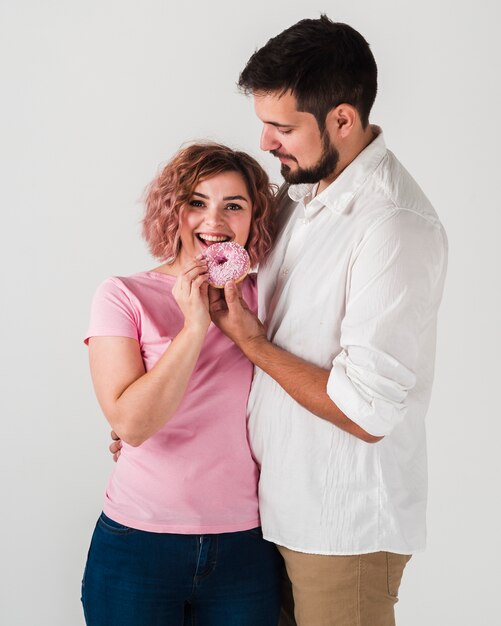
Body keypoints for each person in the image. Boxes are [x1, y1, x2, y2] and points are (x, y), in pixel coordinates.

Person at [207, 16, 448, 626]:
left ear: (342, 119)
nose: (264, 142)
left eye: (282, 127)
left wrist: (254, 345)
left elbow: (366, 412)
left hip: (344, 530)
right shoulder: (301, 197)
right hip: (276, 511)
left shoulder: (393, 225)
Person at [81, 143, 282, 626]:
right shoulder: (123, 294)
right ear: (172, 212)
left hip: (246, 545)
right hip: (137, 544)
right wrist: (195, 326)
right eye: (196, 202)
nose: (213, 220)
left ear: (253, 219)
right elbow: (131, 424)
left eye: (233, 205)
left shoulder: (265, 298)